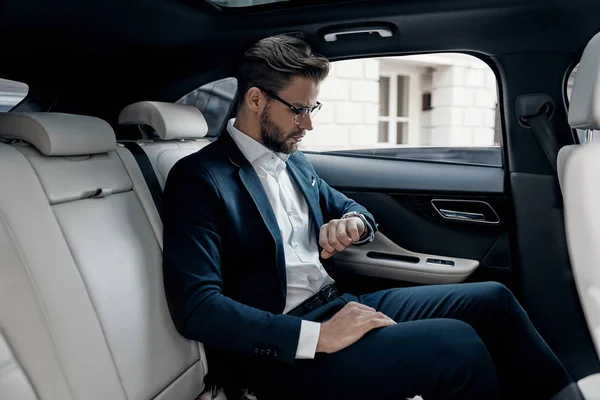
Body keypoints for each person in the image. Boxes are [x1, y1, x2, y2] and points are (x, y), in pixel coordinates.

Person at [162, 34, 573, 400]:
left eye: (312, 108)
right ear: (255, 100)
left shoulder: (293, 160)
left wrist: (353, 225)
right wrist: (318, 336)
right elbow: (199, 307)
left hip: (338, 304)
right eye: (297, 110)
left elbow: (355, 211)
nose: (307, 124)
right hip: (280, 352)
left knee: (493, 300)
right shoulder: (200, 178)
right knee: (455, 345)